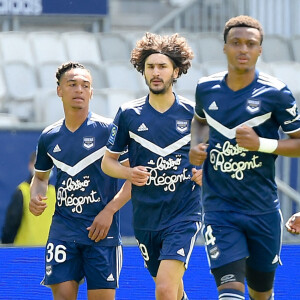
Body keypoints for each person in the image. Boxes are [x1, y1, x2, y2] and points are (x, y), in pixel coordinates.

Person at [189, 15, 300, 300]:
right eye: (236, 43)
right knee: (230, 292)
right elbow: (199, 121)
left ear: (260, 50)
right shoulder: (206, 88)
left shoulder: (277, 93)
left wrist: (261, 143)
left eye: (250, 44)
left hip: (262, 209)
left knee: (261, 294)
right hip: (219, 208)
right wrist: (196, 145)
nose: (243, 49)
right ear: (224, 47)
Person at [101, 32, 202, 300]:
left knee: (165, 289)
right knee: (173, 290)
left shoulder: (194, 114)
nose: (156, 72)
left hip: (184, 215)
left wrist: (208, 175)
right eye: (150, 67)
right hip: (146, 219)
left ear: (176, 71)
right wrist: (127, 172)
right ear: (142, 71)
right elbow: (107, 163)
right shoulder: (128, 114)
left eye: (163, 66)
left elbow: (215, 159)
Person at [29, 61, 131, 300]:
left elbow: (133, 178)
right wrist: (36, 194)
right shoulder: (49, 136)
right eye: (72, 84)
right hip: (63, 232)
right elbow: (40, 178)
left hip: (101, 234)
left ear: (92, 92)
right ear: (59, 90)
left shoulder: (109, 131)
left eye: (85, 85)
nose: (79, 90)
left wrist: (109, 211)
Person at [1, 151, 55, 245]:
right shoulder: (22, 192)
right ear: (30, 165)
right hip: (24, 253)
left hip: (50, 253)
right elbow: (11, 225)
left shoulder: (55, 192)